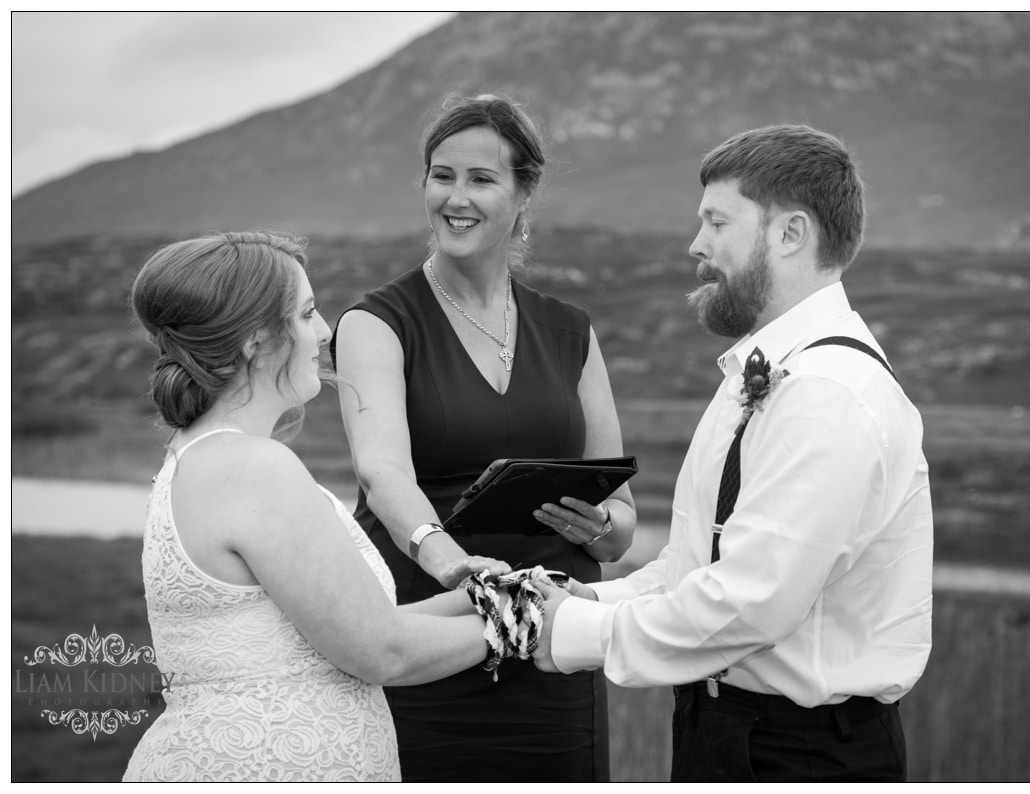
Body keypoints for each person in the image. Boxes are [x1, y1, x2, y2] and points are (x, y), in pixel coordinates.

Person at [533, 124, 934, 783]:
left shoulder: (828, 397)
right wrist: (592, 601)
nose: (697, 245)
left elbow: (751, 603)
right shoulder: (761, 372)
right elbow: (704, 561)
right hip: (724, 731)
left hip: (801, 755)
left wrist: (574, 634)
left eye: (717, 221)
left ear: (789, 234)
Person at [330, 93, 636, 782]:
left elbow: (621, 523)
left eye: (481, 178)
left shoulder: (571, 330)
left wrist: (596, 529)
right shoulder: (377, 323)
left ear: (524, 193)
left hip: (550, 639)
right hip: (422, 632)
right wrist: (450, 564)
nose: (456, 197)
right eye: (442, 175)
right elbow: (383, 474)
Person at [122, 231, 497, 782]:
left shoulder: (199, 456)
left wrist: (503, 595)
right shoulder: (254, 468)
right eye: (307, 313)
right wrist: (530, 625)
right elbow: (382, 652)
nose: (324, 333)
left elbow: (356, 626)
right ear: (255, 339)